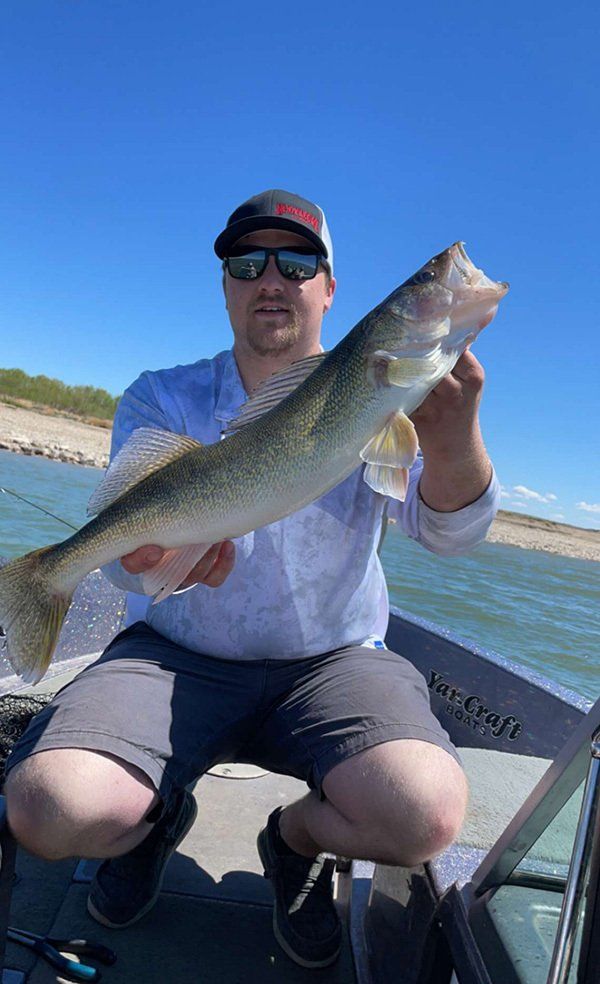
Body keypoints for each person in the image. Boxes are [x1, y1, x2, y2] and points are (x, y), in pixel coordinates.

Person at [4, 190, 501, 969]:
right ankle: (155, 817)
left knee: (424, 814)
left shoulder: (386, 399)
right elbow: (127, 567)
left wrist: (456, 432)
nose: (272, 277)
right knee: (48, 807)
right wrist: (141, 560)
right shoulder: (160, 398)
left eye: (298, 260)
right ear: (228, 283)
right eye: (248, 261)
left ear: (330, 288)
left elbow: (449, 533)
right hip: (175, 655)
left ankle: (292, 841)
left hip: (331, 660)